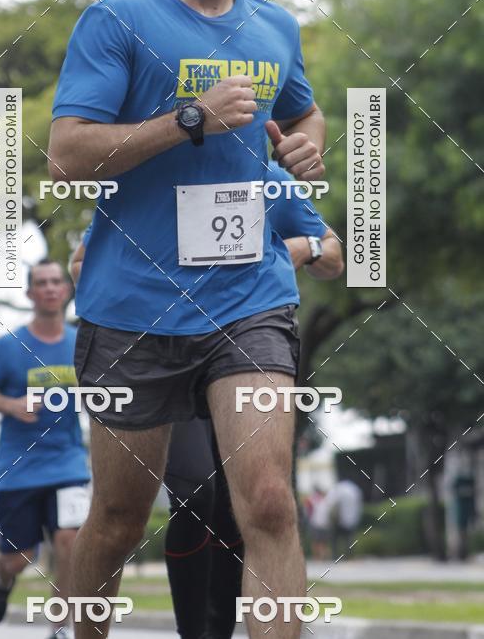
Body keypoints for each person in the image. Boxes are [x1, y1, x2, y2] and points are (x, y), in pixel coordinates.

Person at [49, 0, 326, 639]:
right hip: (133, 307)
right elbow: (67, 156)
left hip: (248, 298)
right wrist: (188, 120)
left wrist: (306, 144)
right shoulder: (119, 21)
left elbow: (300, 113)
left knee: (269, 501)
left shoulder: (275, 27)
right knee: (118, 519)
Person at [69, 162, 344, 639]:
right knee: (180, 498)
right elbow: (80, 262)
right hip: (158, 350)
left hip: (240, 342)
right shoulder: (145, 183)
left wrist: (302, 247)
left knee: (265, 503)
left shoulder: (262, 177)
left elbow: (335, 253)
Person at [0, 260, 91, 639]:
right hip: (18, 467)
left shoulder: (81, 343)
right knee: (19, 558)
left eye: (57, 281)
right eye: (41, 282)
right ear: (30, 293)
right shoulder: (9, 347)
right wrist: (11, 405)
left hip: (69, 462)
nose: (51, 287)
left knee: (70, 543)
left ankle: (59, 627)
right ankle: (1, 578)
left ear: (67, 290)